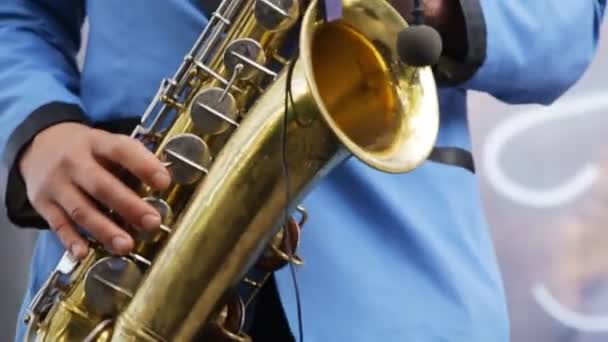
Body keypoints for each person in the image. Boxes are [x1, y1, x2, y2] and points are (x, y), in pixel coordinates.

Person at [0, 0, 604, 341]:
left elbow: (569, 24)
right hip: (127, 252)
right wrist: (37, 130)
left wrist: (437, 8)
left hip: (395, 286)